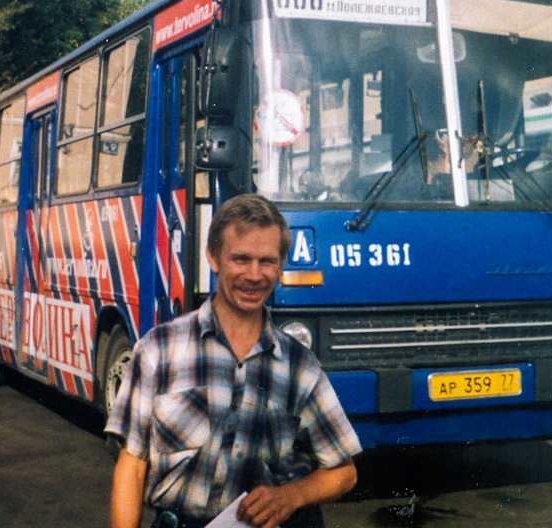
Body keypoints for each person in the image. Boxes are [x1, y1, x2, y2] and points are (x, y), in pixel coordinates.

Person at [107, 194, 361, 528]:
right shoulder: (157, 352)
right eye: (241, 259)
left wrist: (292, 495)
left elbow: (344, 473)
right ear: (213, 257)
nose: (254, 275)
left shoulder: (300, 367)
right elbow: (132, 468)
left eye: (267, 261)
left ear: (281, 263)